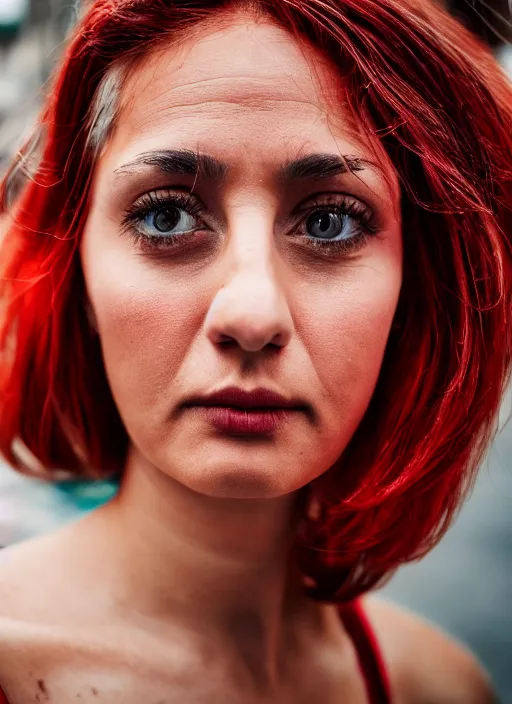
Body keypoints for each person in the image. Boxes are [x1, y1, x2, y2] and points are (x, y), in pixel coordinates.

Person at [0, 0, 510, 700]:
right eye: (166, 214)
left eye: (330, 222)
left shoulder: (440, 686)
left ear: (414, 290)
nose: (251, 312)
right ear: (76, 272)